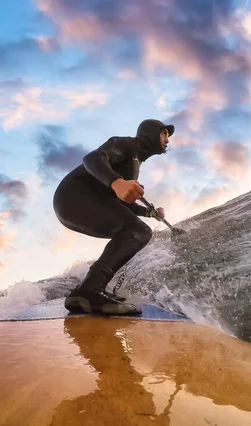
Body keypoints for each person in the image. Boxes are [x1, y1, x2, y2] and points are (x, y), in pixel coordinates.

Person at [53, 119, 174, 315]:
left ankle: (89, 289)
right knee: (138, 230)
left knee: (133, 231)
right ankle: (89, 290)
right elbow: (92, 158)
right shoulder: (127, 145)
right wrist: (117, 182)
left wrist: (149, 213)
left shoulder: (135, 162)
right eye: (164, 134)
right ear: (150, 133)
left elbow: (122, 205)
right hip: (73, 196)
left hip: (79, 202)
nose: (167, 141)